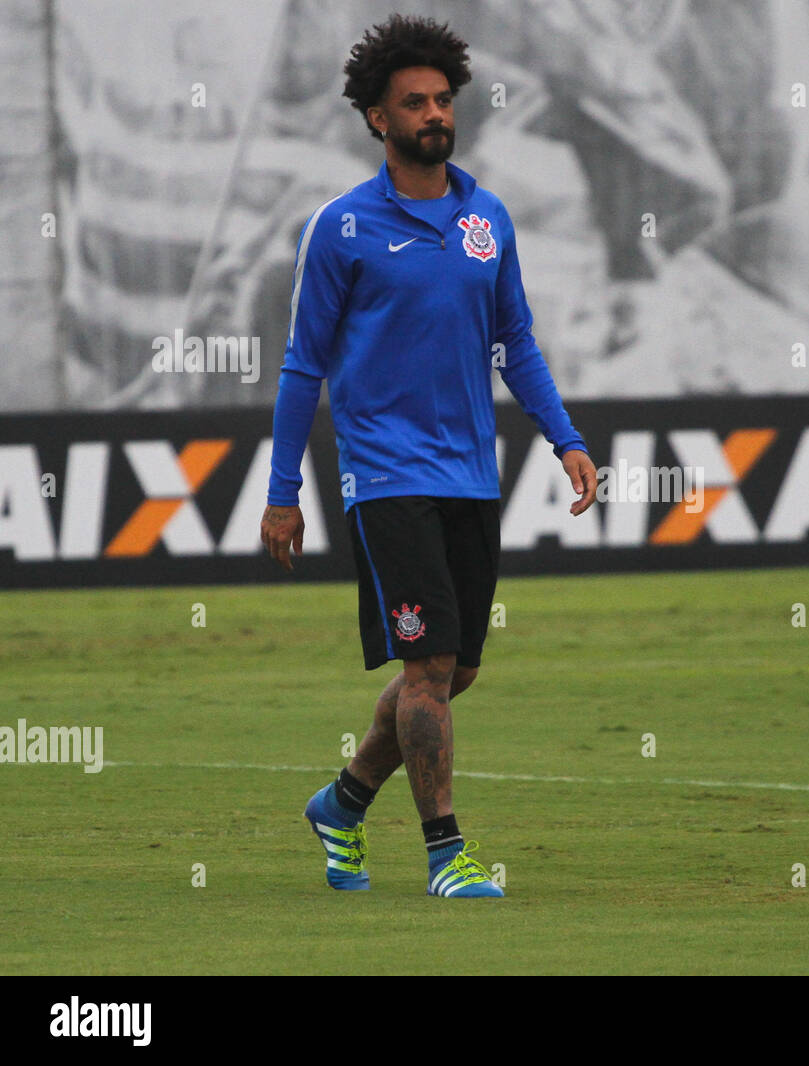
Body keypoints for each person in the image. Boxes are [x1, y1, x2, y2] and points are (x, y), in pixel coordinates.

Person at [260, 14, 597, 899]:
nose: (433, 113)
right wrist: (283, 489)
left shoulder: (488, 219)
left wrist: (565, 438)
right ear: (378, 119)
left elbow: (514, 339)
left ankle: (342, 803)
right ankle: (447, 854)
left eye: (443, 98)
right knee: (427, 668)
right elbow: (303, 365)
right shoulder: (340, 229)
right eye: (414, 102)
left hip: (469, 475)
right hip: (385, 475)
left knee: (458, 668)